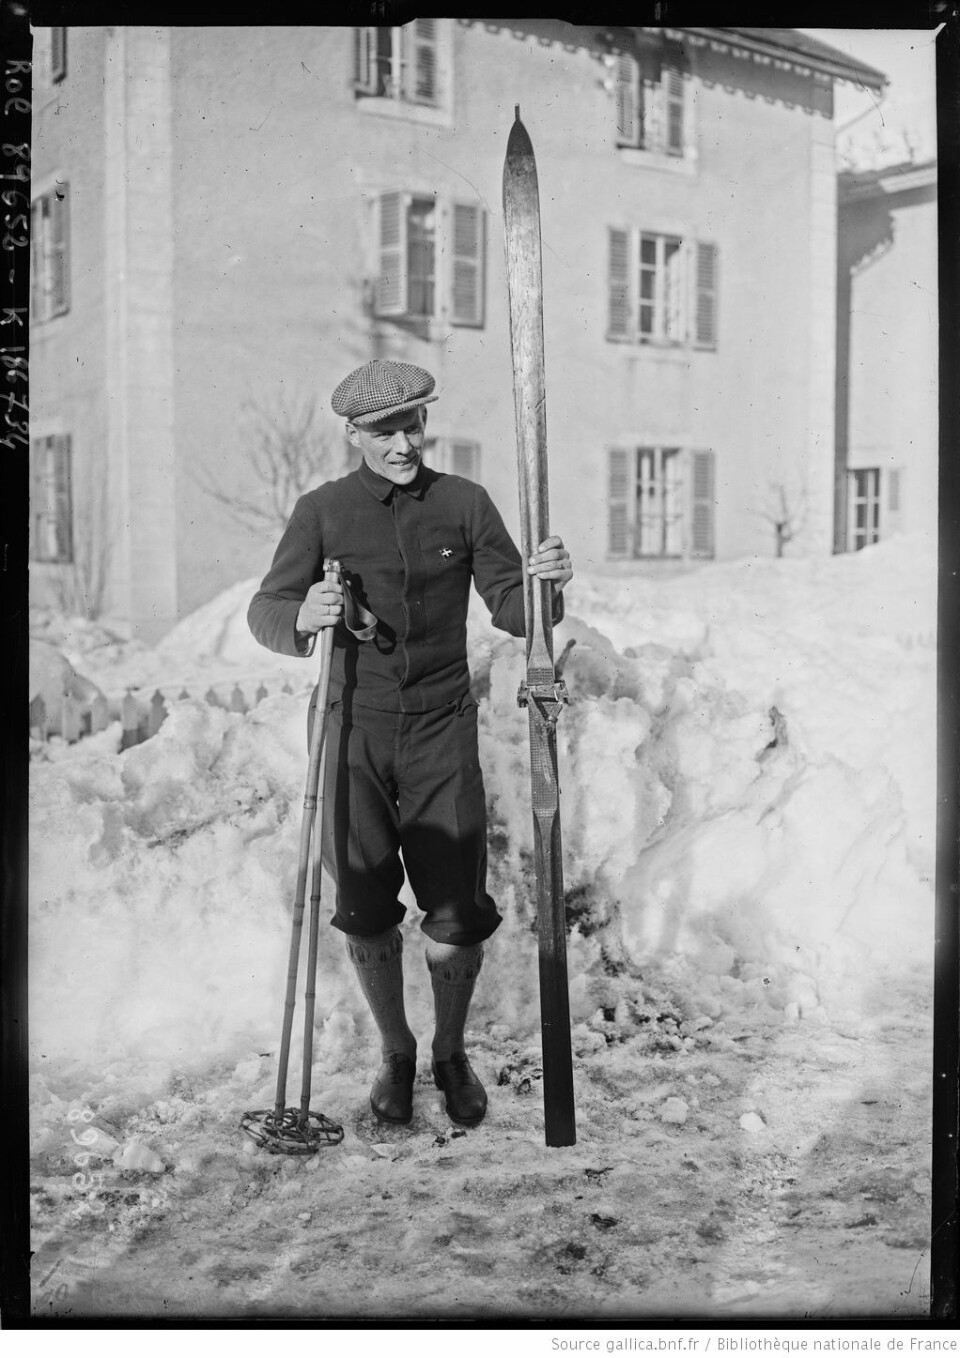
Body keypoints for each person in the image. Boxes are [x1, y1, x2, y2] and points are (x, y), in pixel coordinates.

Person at [248, 359, 572, 1129]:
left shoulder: (464, 504)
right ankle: (395, 1052)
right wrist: (304, 614)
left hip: (439, 729)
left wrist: (545, 585)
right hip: (348, 726)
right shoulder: (321, 511)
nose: (403, 444)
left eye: (414, 425)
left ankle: (450, 1053)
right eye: (385, 431)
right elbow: (267, 608)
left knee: (457, 909)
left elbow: (515, 612)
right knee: (363, 907)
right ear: (354, 433)